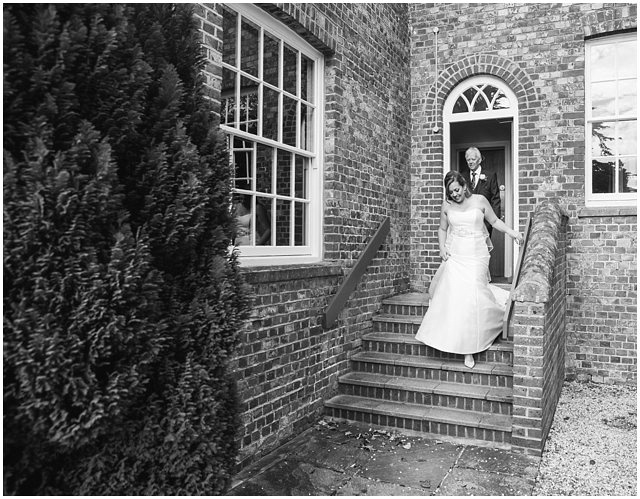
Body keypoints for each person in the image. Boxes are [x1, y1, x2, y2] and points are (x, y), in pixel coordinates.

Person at [415, 170, 523, 369]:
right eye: (451, 192)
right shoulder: (447, 206)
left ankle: (474, 343)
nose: (455, 194)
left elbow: (494, 221)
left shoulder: (480, 200)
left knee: (473, 291)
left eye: (457, 190)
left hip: (476, 254)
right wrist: (442, 248)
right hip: (456, 254)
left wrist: (513, 233)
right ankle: (459, 344)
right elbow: (442, 229)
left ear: (464, 186)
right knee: (458, 296)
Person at [465, 147, 500, 237]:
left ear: (479, 160)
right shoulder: (462, 176)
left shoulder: (490, 175)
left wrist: (492, 222)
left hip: (485, 222)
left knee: (483, 249)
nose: (470, 162)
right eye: (468, 159)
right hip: (467, 223)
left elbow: (495, 199)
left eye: (473, 159)